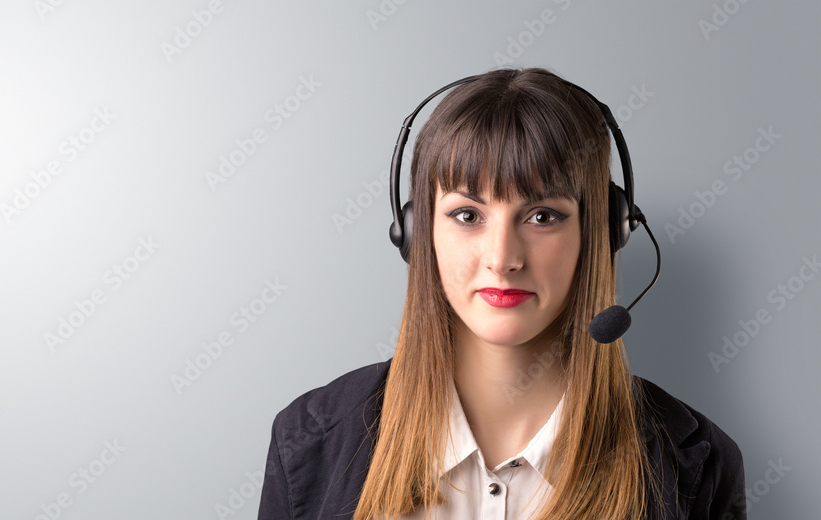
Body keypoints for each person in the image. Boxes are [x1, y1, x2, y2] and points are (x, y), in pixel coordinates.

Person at [256, 67, 746, 520]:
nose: (503, 257)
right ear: (415, 231)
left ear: (600, 232)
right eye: (468, 215)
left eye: (542, 217)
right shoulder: (308, 441)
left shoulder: (698, 466)